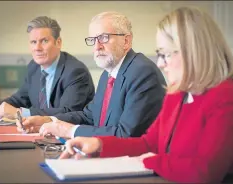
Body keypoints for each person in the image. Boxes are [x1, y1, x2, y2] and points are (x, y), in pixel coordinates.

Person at [57, 7, 233, 183]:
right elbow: (149, 143)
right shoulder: (177, 94)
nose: (161, 63)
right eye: (159, 54)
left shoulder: (225, 97)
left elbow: (205, 171)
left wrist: (149, 160)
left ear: (194, 52)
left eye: (166, 54)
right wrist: (99, 145)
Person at [17, 11, 166, 138]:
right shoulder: (107, 75)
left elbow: (125, 134)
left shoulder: (142, 73)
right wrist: (48, 120)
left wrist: (70, 131)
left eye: (104, 38)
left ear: (126, 41)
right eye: (93, 40)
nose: (97, 46)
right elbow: (89, 116)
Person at [0, 16, 95, 122]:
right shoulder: (34, 67)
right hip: (41, 133)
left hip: (70, 137)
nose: (37, 48)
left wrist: (20, 112)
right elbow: (20, 99)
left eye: (44, 41)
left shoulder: (76, 71)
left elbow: (68, 112)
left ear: (58, 42)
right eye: (33, 42)